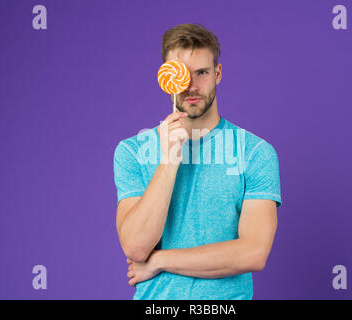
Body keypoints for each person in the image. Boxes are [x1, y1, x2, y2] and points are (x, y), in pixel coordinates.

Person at [113, 23, 282, 300]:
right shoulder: (132, 151)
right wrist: (169, 159)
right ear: (165, 77)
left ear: (217, 74)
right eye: (180, 74)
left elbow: (253, 253)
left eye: (201, 73)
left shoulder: (255, 152)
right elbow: (136, 247)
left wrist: (160, 261)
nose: (191, 85)